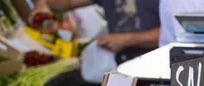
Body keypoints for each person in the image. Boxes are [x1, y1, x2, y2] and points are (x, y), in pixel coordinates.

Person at [30, 0, 160, 64]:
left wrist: (125, 40)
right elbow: (67, 2)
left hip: (160, 72)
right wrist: (43, 4)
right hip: (125, 68)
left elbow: (175, 32)